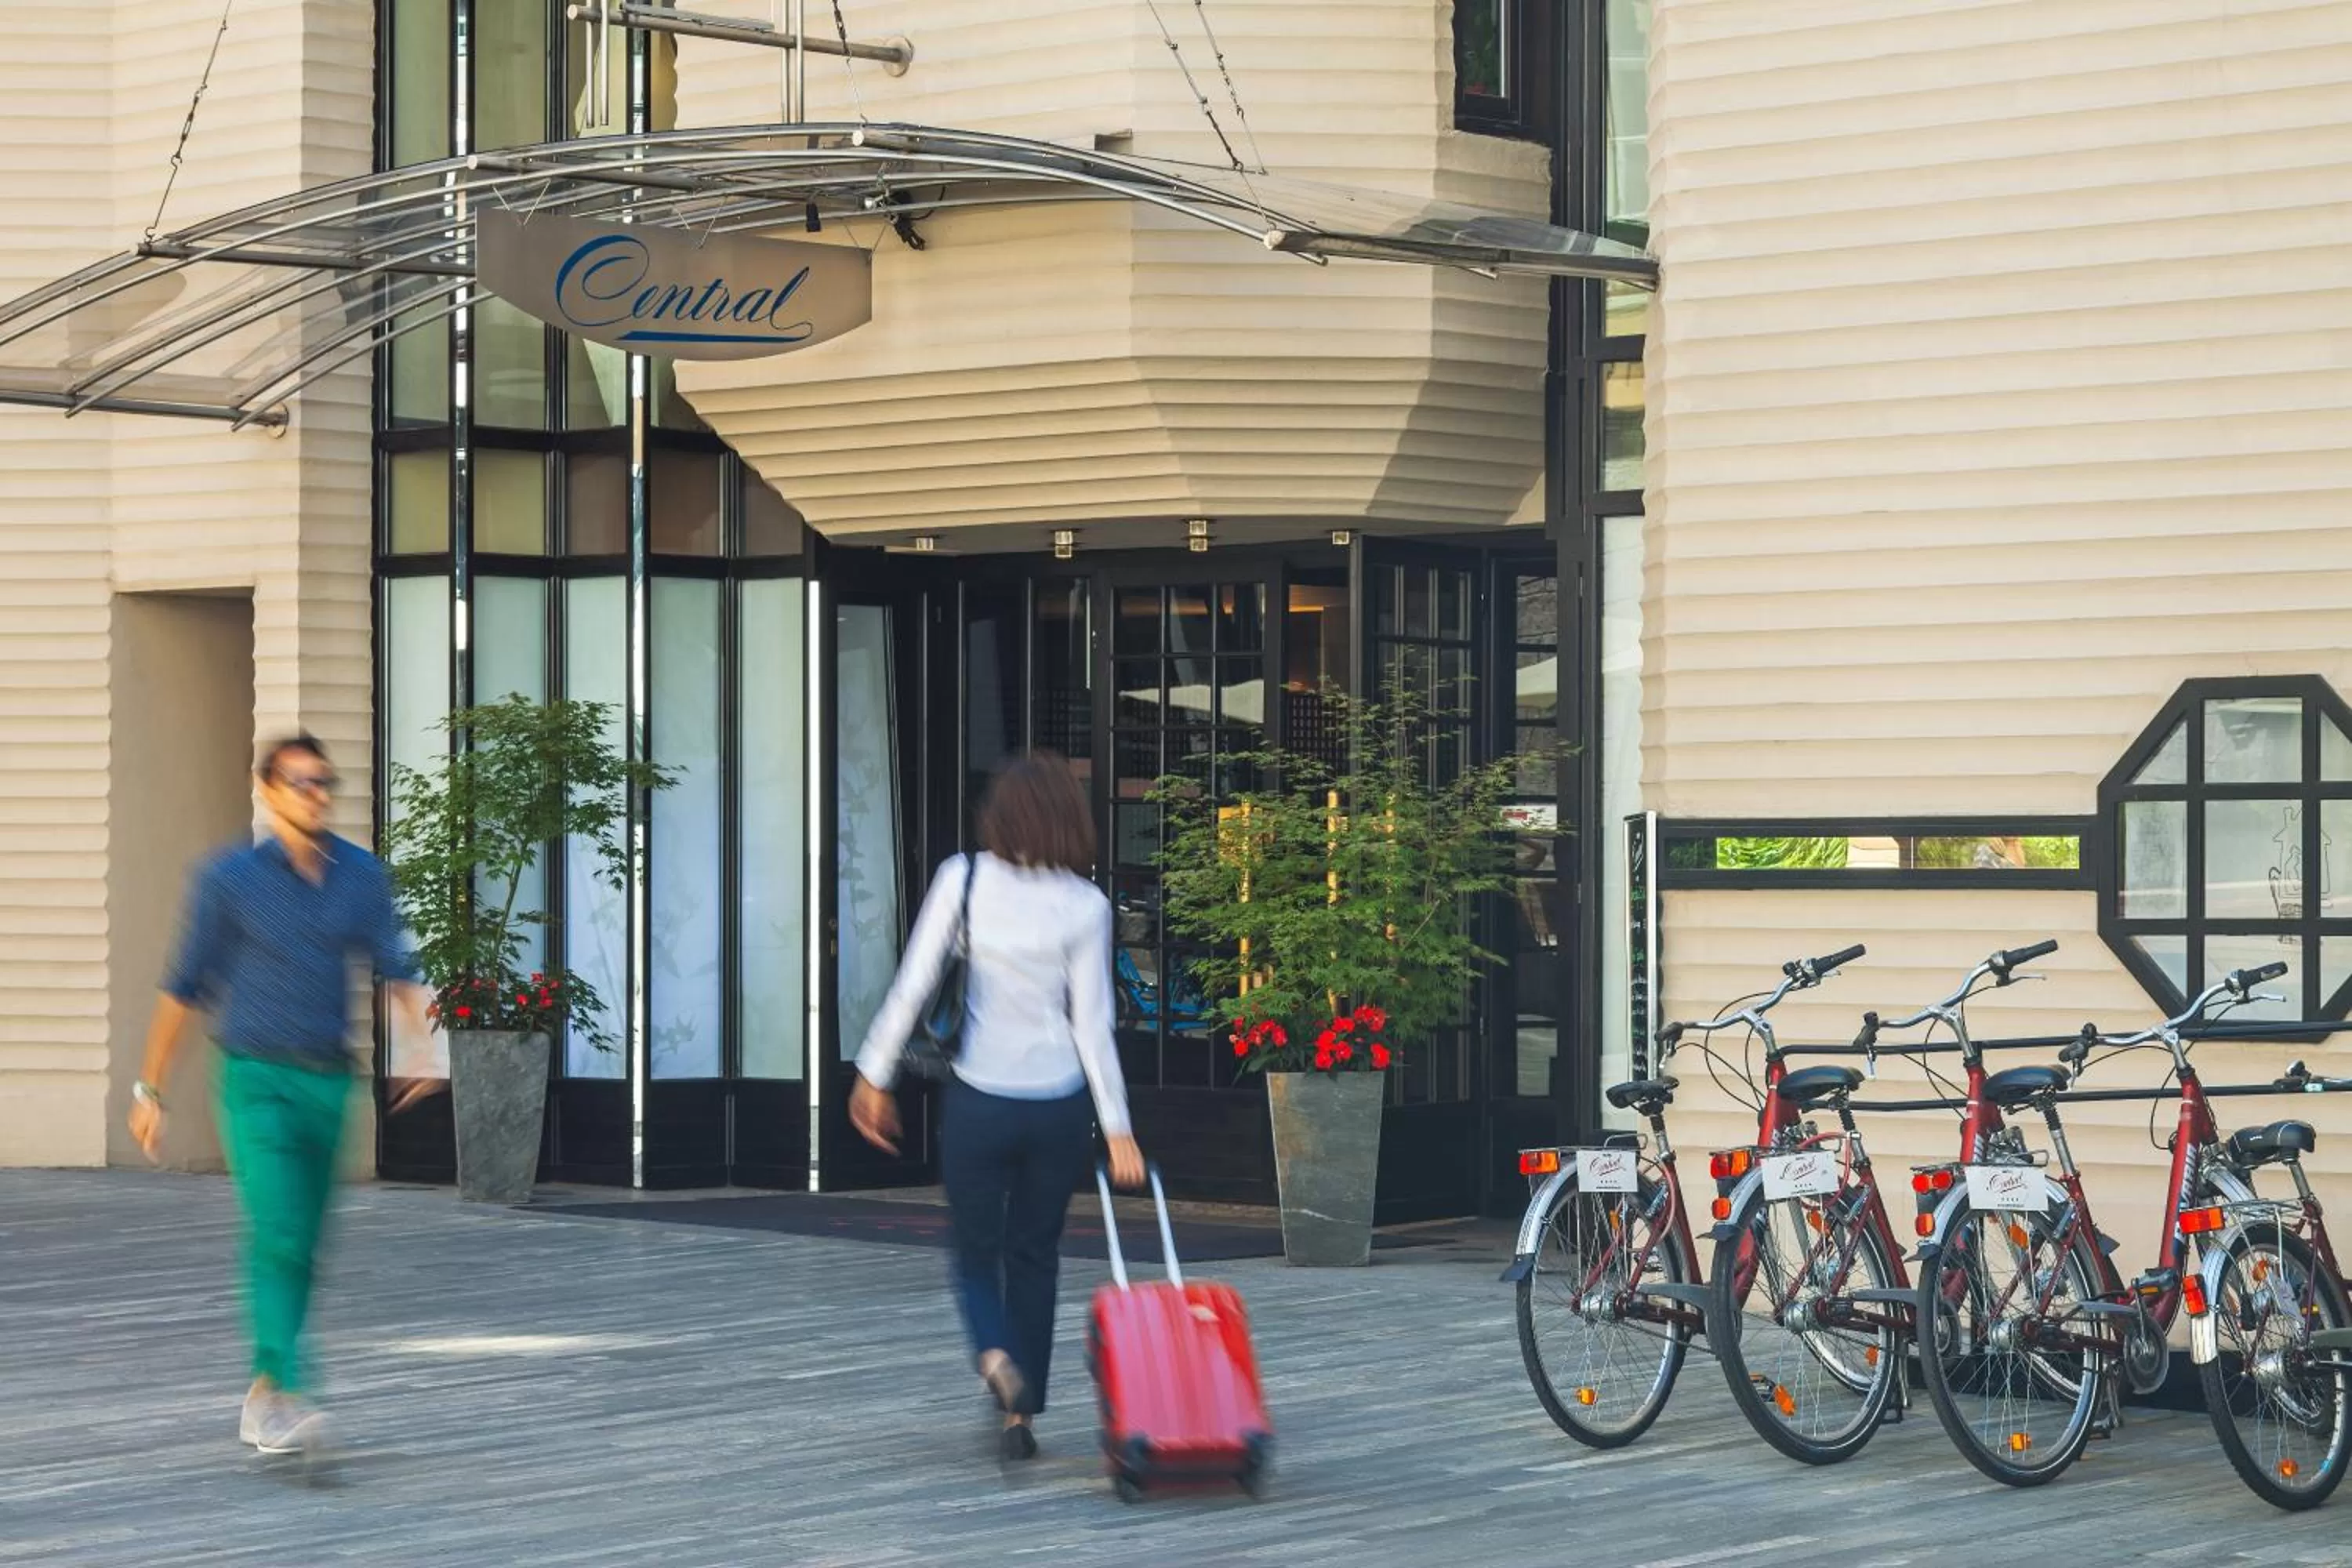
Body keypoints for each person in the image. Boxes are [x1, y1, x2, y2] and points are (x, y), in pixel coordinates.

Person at [129, 733, 434, 1461]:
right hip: (253, 1077)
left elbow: (399, 967)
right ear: (265, 790)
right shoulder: (229, 878)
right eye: (299, 781)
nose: (315, 793)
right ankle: (288, 1391)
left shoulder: (362, 877)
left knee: (304, 1242)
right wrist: (150, 1087)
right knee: (278, 1230)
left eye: (324, 781)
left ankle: (264, 1392)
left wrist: (425, 1051)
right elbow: (184, 986)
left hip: (327, 1082)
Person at [849, 753, 1145, 1461]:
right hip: (1060, 1105)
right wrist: (1119, 1128)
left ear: (1001, 814)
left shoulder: (966, 878)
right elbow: (1091, 1025)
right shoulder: (1087, 904)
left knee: (978, 1254)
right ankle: (1022, 1421)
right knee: (1036, 1255)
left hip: (981, 1098)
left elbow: (915, 983)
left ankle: (994, 1359)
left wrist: (873, 1073)